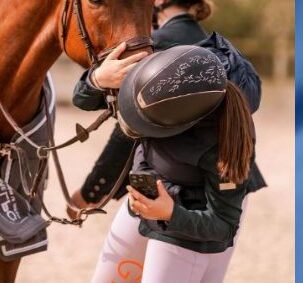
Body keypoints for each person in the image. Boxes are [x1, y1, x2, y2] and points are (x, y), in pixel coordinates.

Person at [90, 46, 266, 283]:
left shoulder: (222, 149)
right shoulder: (163, 102)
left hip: (187, 233)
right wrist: (143, 182)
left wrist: (171, 213)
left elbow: (224, 225)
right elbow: (145, 145)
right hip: (149, 209)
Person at [69, 0, 220, 210]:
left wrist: (92, 193)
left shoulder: (151, 52)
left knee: (114, 254)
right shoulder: (221, 46)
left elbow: (125, 133)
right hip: (225, 186)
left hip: (171, 190)